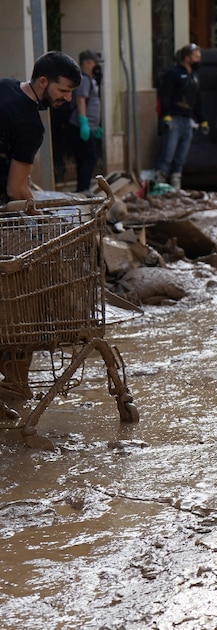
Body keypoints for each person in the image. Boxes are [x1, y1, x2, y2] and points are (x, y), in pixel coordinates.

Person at [0, 51, 81, 419]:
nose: (66, 100)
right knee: (17, 304)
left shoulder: (4, 89)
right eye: (63, 92)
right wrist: (38, 211)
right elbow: (17, 189)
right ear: (43, 82)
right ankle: (14, 381)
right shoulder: (31, 124)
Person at [156, 43, 207, 190]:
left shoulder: (194, 76)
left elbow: (197, 100)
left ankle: (175, 185)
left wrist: (202, 120)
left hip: (187, 121)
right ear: (187, 58)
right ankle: (159, 184)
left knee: (181, 157)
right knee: (168, 154)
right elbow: (165, 95)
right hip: (174, 120)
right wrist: (165, 116)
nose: (199, 60)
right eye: (196, 57)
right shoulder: (173, 73)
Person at [70, 50, 103, 192]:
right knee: (89, 158)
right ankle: (83, 189)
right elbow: (80, 100)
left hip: (90, 127)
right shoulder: (83, 79)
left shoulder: (91, 80)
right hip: (81, 126)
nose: (95, 66)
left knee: (85, 158)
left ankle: (82, 188)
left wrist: (96, 127)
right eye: (93, 62)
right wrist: (84, 123)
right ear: (86, 63)